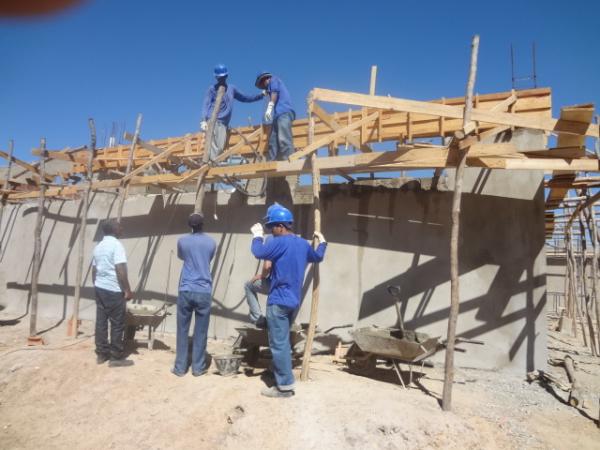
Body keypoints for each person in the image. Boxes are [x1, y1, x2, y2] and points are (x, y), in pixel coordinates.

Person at [250, 203, 327, 398]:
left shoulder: (278, 241)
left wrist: (257, 236)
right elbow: (317, 257)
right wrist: (323, 242)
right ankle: (276, 371)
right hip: (293, 302)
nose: (270, 230)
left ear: (281, 226)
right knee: (282, 342)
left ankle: (284, 386)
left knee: (279, 344)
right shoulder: (302, 244)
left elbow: (258, 252)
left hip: (277, 302)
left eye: (271, 226)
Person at [172, 213, 217, 377]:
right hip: (204, 290)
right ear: (203, 224)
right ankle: (198, 368)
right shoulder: (211, 242)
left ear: (189, 225)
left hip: (186, 289)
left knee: (182, 330)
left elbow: (181, 256)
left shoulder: (182, 241)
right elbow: (208, 259)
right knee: (201, 331)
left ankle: (180, 367)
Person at [201, 64, 265, 161]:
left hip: (223, 124)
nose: (221, 79)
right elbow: (206, 104)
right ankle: (213, 166)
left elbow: (245, 98)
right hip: (214, 121)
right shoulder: (212, 89)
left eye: (223, 77)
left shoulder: (231, 89)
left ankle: (214, 163)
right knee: (216, 147)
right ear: (216, 77)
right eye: (219, 77)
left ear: (226, 76)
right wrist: (203, 120)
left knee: (220, 147)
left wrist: (260, 96)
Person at [92, 219, 133, 367]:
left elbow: (94, 270)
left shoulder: (99, 246)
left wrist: (96, 285)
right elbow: (120, 269)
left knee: (101, 322)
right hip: (113, 290)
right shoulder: (116, 245)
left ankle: (102, 354)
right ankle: (116, 357)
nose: (122, 228)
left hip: (100, 288)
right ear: (114, 229)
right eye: (119, 226)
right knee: (117, 323)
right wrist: (127, 290)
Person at [255, 71, 295, 161]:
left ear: (265, 79)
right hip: (277, 116)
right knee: (273, 141)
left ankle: (289, 161)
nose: (264, 87)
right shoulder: (270, 87)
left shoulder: (274, 79)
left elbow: (274, 94)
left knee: (284, 138)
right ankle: (273, 163)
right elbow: (270, 93)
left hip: (284, 113)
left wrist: (269, 109)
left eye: (262, 84)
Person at [244, 259, 271, 328]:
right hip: (292, 287)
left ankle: (258, 319)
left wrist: (262, 275)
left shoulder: (274, 248)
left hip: (276, 284)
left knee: (248, 285)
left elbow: (267, 266)